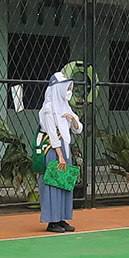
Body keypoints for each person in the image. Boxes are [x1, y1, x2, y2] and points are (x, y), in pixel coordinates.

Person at [38, 72, 82, 233]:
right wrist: (60, 156)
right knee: (52, 184)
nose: (68, 90)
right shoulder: (48, 109)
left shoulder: (65, 106)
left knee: (64, 184)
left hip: (65, 146)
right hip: (53, 149)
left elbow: (78, 129)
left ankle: (61, 218)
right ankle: (52, 221)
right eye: (66, 87)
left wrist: (73, 119)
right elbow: (51, 132)